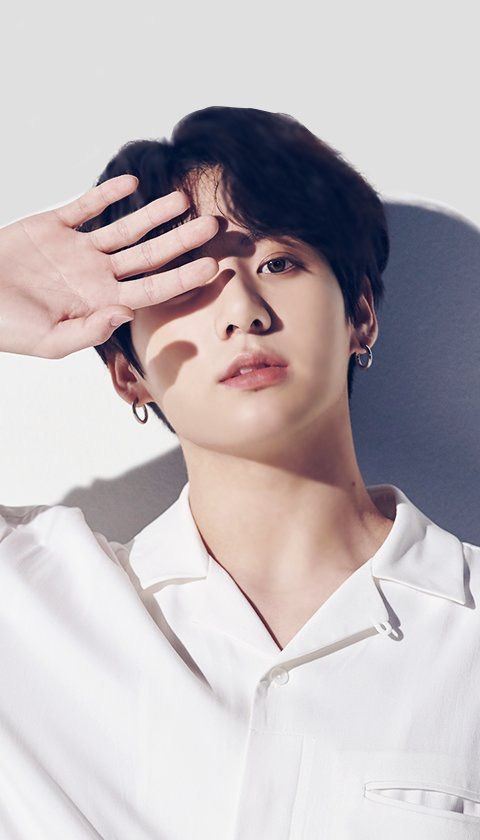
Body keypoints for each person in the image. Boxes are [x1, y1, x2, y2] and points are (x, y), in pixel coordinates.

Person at [1, 106, 479, 840]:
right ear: (127, 373)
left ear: (360, 315)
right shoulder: (30, 603)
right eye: (182, 282)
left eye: (278, 264)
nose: (242, 311)